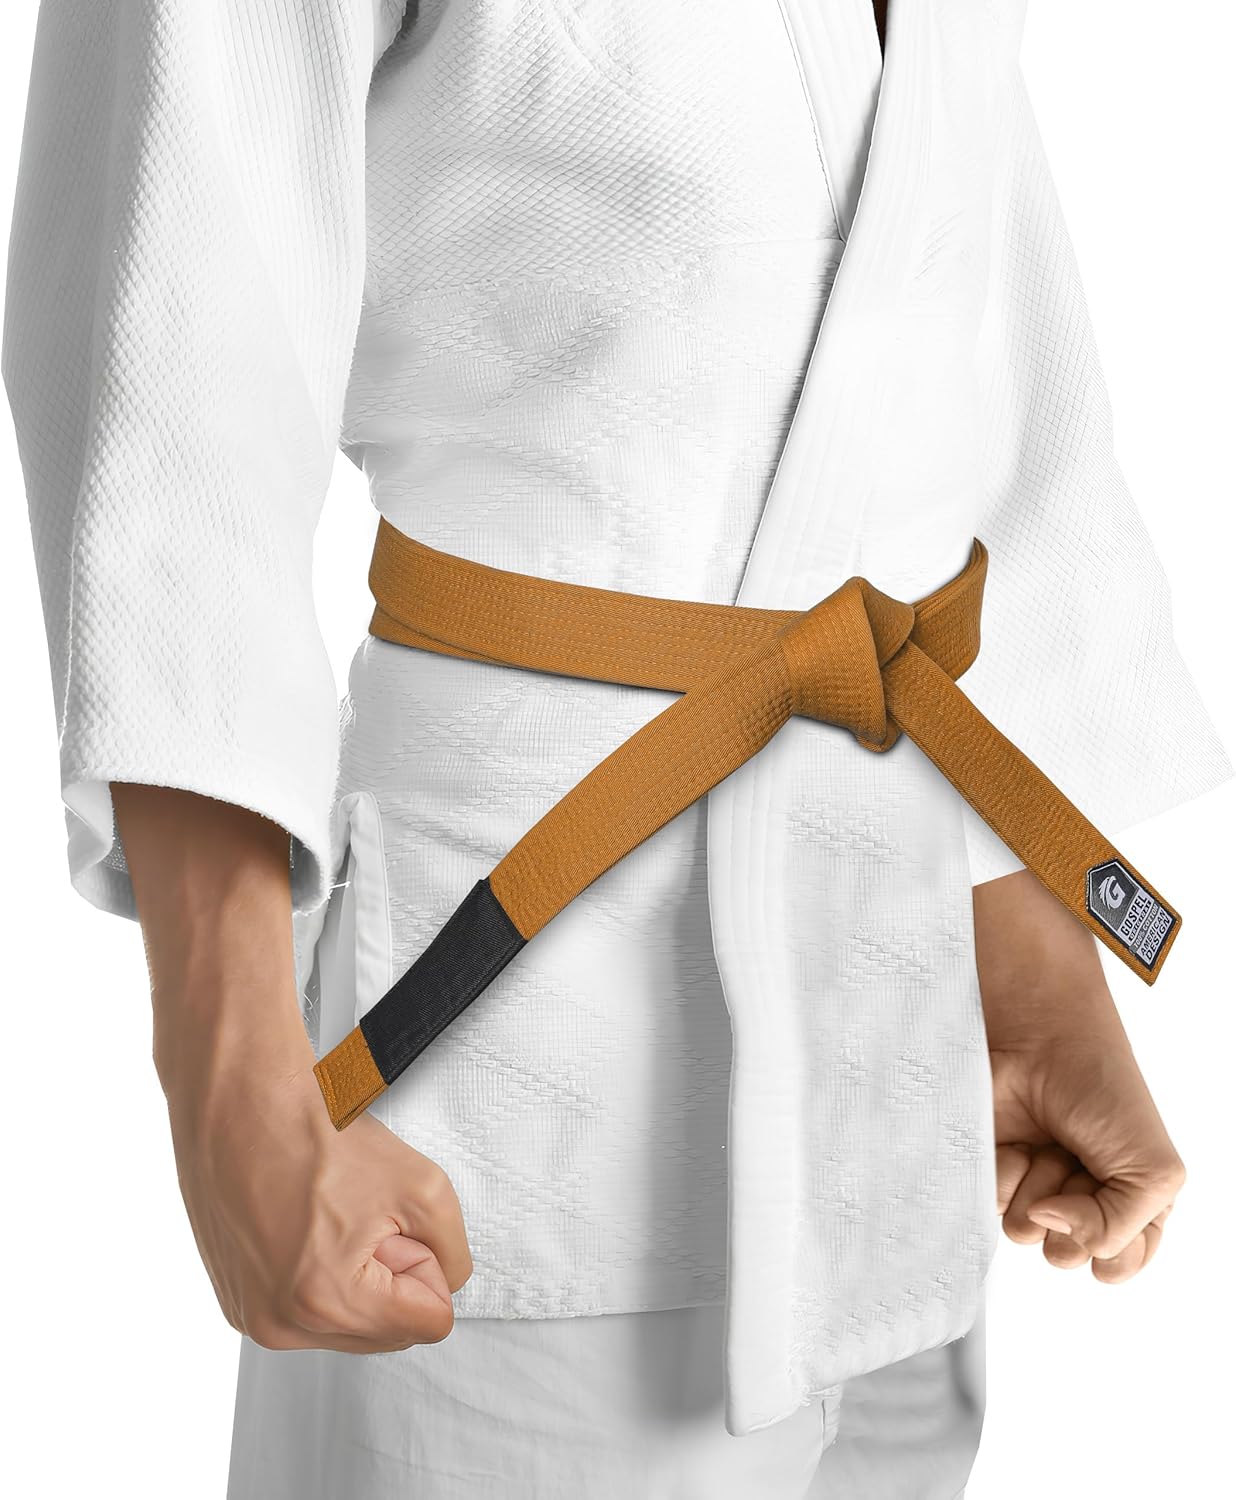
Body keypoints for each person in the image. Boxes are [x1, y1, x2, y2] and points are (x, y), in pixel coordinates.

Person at [4, 1, 1232, 1496]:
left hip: (894, 1068)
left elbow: (954, 267)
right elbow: (179, 369)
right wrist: (233, 1086)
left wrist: (1020, 939)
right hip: (510, 1079)